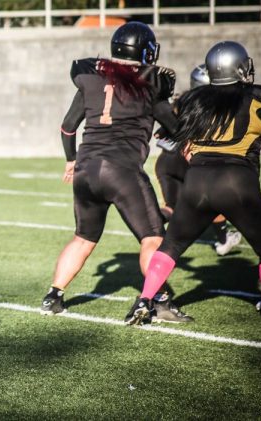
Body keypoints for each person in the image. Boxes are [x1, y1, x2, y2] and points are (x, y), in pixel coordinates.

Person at [40, 22, 193, 323]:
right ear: (146, 51)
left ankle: (53, 296)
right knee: (152, 237)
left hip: (86, 169)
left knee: (83, 238)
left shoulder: (91, 79)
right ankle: (159, 301)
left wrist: (71, 160)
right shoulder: (150, 84)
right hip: (121, 170)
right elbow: (176, 128)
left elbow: (68, 127)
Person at [125, 41, 261, 324]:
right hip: (237, 180)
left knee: (171, 246)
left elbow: (167, 132)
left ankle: (145, 300)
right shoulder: (258, 96)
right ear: (237, 67)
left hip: (197, 181)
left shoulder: (192, 99)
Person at [154, 64, 242, 256]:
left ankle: (150, 223)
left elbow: (163, 129)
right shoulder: (208, 106)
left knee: (171, 207)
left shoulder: (179, 100)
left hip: (165, 162)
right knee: (215, 199)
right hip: (188, 158)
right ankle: (223, 239)